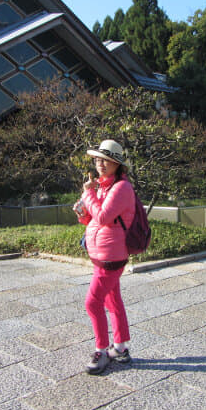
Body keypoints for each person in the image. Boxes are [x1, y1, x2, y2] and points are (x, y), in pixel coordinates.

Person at [74, 139, 135, 375]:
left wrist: (88, 194)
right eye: (98, 159)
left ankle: (101, 350)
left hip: (112, 256)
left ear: (117, 164)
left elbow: (103, 217)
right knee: (112, 300)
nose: (100, 164)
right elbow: (93, 219)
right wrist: (82, 211)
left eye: (106, 160)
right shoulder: (103, 186)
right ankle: (119, 348)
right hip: (102, 253)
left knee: (92, 302)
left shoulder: (121, 188)